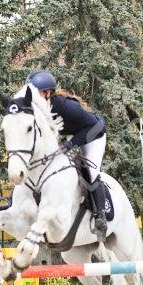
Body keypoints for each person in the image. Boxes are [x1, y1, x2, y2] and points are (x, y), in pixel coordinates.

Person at [25, 69, 108, 240]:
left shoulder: (68, 107)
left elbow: (94, 128)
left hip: (93, 133)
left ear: (48, 93)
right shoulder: (37, 109)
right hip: (67, 135)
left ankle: (100, 216)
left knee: (91, 172)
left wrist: (71, 144)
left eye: (36, 93)